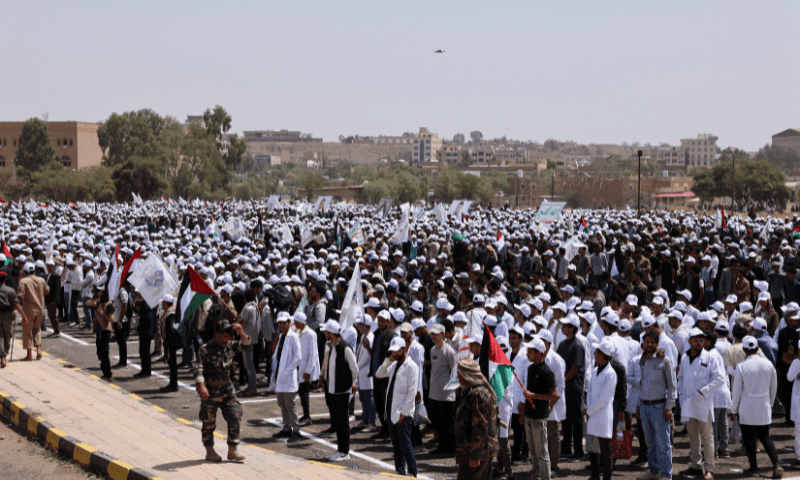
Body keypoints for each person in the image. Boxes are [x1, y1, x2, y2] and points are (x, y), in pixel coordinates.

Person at [193, 319, 249, 463]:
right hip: (210, 392)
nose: (226, 339)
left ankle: (232, 450)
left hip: (227, 389)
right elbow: (198, 368)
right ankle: (209, 450)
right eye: (224, 336)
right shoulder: (204, 349)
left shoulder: (230, 345)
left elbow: (246, 344)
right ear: (216, 335)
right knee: (208, 422)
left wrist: (241, 332)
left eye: (228, 336)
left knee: (235, 414)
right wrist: (201, 385)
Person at [731, 336, 783, 478]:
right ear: (757, 348)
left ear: (744, 349)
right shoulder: (768, 364)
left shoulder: (742, 366)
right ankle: (776, 464)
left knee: (749, 439)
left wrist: (734, 409)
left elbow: (736, 391)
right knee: (765, 437)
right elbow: (774, 387)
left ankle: (753, 467)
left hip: (747, 407)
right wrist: (771, 404)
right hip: (764, 405)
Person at [678, 328, 725, 480]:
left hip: (703, 402)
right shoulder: (685, 358)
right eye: (696, 340)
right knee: (692, 436)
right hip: (687, 403)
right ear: (689, 341)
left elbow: (719, 378)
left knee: (707, 437)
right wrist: (680, 395)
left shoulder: (710, 357)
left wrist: (703, 392)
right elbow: (680, 377)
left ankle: (709, 469)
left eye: (701, 340)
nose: (698, 343)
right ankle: (695, 466)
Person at [637, 330, 677, 480]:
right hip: (645, 406)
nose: (649, 344)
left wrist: (669, 407)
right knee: (650, 442)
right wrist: (639, 405)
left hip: (659, 408)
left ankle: (666, 474)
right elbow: (642, 384)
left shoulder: (665, 360)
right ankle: (654, 471)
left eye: (652, 342)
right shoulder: (643, 360)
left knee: (663, 443)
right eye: (647, 341)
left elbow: (672, 386)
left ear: (657, 344)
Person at [377, 336, 419, 477]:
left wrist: (404, 413)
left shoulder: (412, 367)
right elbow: (379, 374)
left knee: (406, 444)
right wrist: (388, 360)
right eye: (392, 351)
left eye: (397, 351)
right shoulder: (394, 365)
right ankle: (400, 470)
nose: (394, 353)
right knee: (396, 444)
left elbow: (411, 393)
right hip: (391, 411)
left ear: (404, 349)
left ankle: (412, 471)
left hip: (403, 413)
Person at [456, 358, 501, 480]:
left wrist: (475, 455)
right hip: (481, 450)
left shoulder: (477, 395)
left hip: (477, 452)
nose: (458, 376)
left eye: (459, 373)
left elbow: (480, 428)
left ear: (465, 375)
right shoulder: (477, 392)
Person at [322, 319, 359, 462]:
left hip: (342, 391)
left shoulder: (345, 348)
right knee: (337, 421)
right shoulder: (332, 347)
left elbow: (355, 369)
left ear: (331, 333)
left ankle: (344, 451)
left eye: (326, 332)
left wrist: (353, 383)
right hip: (333, 390)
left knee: (343, 422)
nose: (325, 334)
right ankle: (340, 450)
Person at [586, 337, 618, 480]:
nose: (594, 353)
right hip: (592, 415)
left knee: (606, 450)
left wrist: (589, 411)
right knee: (592, 449)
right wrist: (589, 409)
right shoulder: (595, 370)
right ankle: (594, 476)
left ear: (601, 354)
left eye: (596, 351)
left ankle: (606, 477)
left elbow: (604, 398)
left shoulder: (611, 374)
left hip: (602, 415)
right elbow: (590, 392)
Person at [271, 311, 303, 443]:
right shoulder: (281, 336)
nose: (281, 325)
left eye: (284, 323)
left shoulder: (293, 336)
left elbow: (298, 357)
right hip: (280, 376)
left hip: (288, 377)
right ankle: (286, 428)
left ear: (289, 323)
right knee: (282, 404)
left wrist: (288, 370)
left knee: (291, 404)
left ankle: (296, 430)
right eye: (279, 323)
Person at [427, 323, 457, 455]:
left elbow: (455, 371)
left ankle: (451, 448)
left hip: (446, 395)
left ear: (443, 335)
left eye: (436, 334)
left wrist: (454, 391)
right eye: (432, 334)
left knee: (448, 424)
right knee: (438, 423)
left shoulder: (449, 351)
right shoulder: (433, 350)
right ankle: (441, 446)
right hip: (434, 394)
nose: (433, 336)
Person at [17, 262, 48, 361]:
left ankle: (29, 355)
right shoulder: (41, 280)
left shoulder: (23, 281)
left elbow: (20, 296)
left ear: (25, 271)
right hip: (40, 309)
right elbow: (47, 290)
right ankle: (38, 350)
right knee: (37, 329)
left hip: (28, 309)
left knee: (27, 331)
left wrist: (15, 305)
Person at [295, 311, 319, 426]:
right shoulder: (301, 333)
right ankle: (305, 415)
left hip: (307, 368)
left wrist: (308, 371)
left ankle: (307, 416)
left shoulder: (310, 334)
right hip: (302, 367)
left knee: (303, 391)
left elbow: (313, 354)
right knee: (303, 391)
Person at [238, 289, 261, 395]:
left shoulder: (247, 308)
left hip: (247, 339)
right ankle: (251, 386)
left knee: (249, 365)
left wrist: (236, 319)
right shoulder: (256, 306)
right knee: (249, 364)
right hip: (253, 338)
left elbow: (242, 323)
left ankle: (253, 387)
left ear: (245, 298)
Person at [0, 272, 22, 368]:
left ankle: (2, 356)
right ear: (5, 279)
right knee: (8, 335)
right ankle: (4, 354)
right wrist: (23, 315)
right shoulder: (11, 291)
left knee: (0, 336)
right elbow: (16, 305)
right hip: (7, 315)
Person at [93, 299, 114, 381]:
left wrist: (102, 313)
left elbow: (111, 320)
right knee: (99, 352)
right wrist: (96, 302)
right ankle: (105, 370)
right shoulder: (100, 303)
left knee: (105, 352)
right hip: (99, 330)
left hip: (105, 331)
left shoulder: (109, 305)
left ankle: (108, 374)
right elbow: (87, 303)